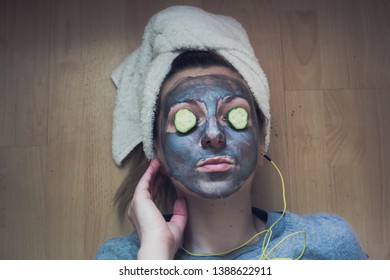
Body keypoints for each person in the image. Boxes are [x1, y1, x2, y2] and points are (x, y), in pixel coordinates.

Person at [95, 6, 367, 260]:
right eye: (185, 118)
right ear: (158, 153)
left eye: (234, 115)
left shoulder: (329, 244)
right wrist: (154, 256)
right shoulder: (121, 259)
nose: (213, 134)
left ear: (262, 140)